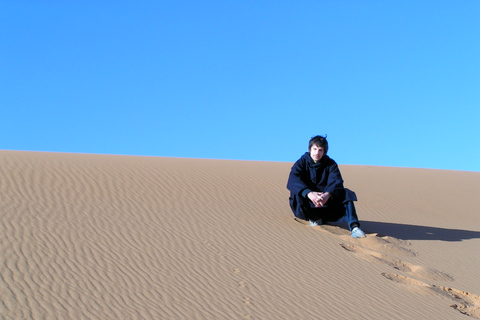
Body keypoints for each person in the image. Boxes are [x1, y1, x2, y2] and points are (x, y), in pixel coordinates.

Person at [287, 135, 366, 238]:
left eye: (320, 150)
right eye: (315, 149)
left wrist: (327, 195)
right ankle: (314, 219)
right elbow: (293, 179)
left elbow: (337, 182)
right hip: (307, 207)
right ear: (309, 149)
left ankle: (354, 227)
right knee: (296, 191)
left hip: (326, 204)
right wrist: (309, 194)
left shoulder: (331, 164)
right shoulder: (301, 163)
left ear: (324, 152)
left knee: (346, 193)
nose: (317, 153)